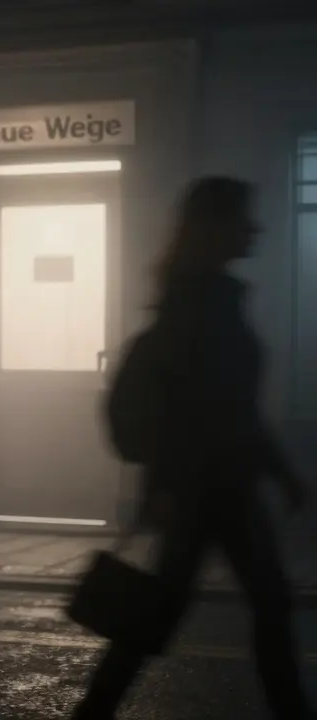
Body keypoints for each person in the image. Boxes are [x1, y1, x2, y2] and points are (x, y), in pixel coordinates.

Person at [72, 177, 310, 720]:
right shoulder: (201, 309)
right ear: (214, 227)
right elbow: (220, 411)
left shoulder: (206, 299)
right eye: (243, 218)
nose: (255, 228)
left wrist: (279, 473)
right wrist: (277, 473)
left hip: (215, 489)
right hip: (207, 491)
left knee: (176, 612)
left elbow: (234, 409)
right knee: (176, 613)